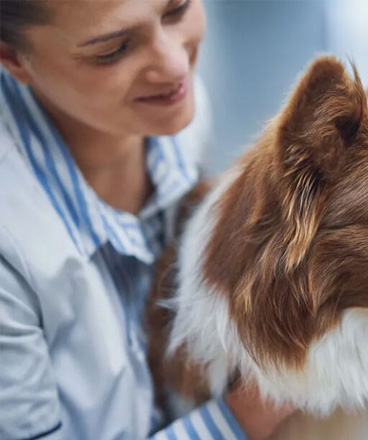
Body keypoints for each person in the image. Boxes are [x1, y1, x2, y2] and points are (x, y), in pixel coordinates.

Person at [0, 1, 292, 438]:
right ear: (13, 60)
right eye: (113, 49)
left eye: (176, 9)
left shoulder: (172, 113)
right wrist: (246, 414)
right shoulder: (12, 245)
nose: (176, 65)